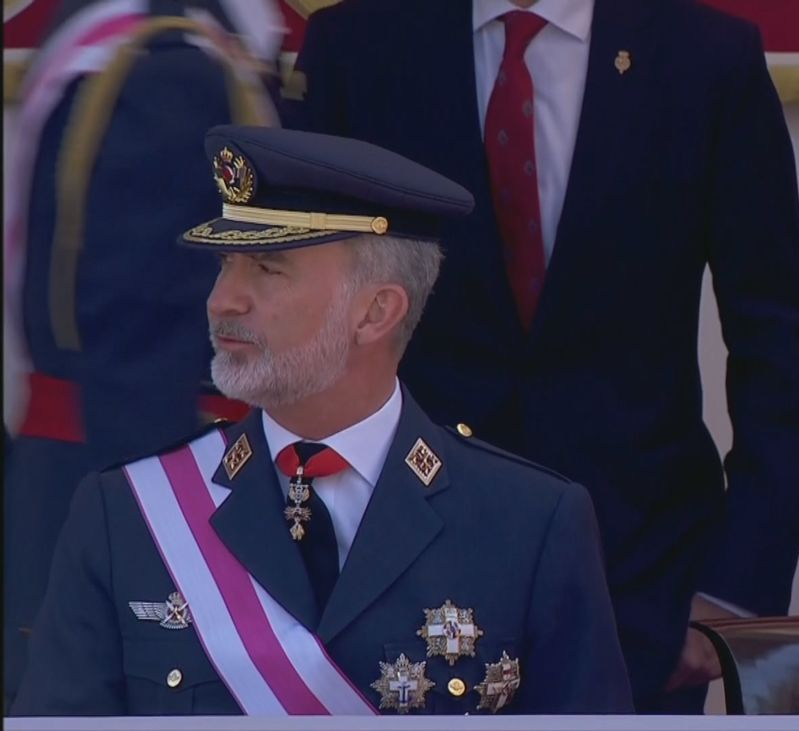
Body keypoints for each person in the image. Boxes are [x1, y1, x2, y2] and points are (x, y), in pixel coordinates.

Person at [288, 0, 799, 711]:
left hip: (640, 589)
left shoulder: (706, 58)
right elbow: (300, 320)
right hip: (397, 574)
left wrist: (734, 591)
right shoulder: (358, 43)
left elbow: (775, 340)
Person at [12, 125, 633, 716]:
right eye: (225, 265)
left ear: (376, 312)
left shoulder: (529, 525)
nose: (221, 300)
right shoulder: (126, 516)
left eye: (268, 269)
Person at [2, 0, 281, 703]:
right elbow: (144, 338)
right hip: (148, 497)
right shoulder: (170, 72)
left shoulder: (103, 37)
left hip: (62, 484)